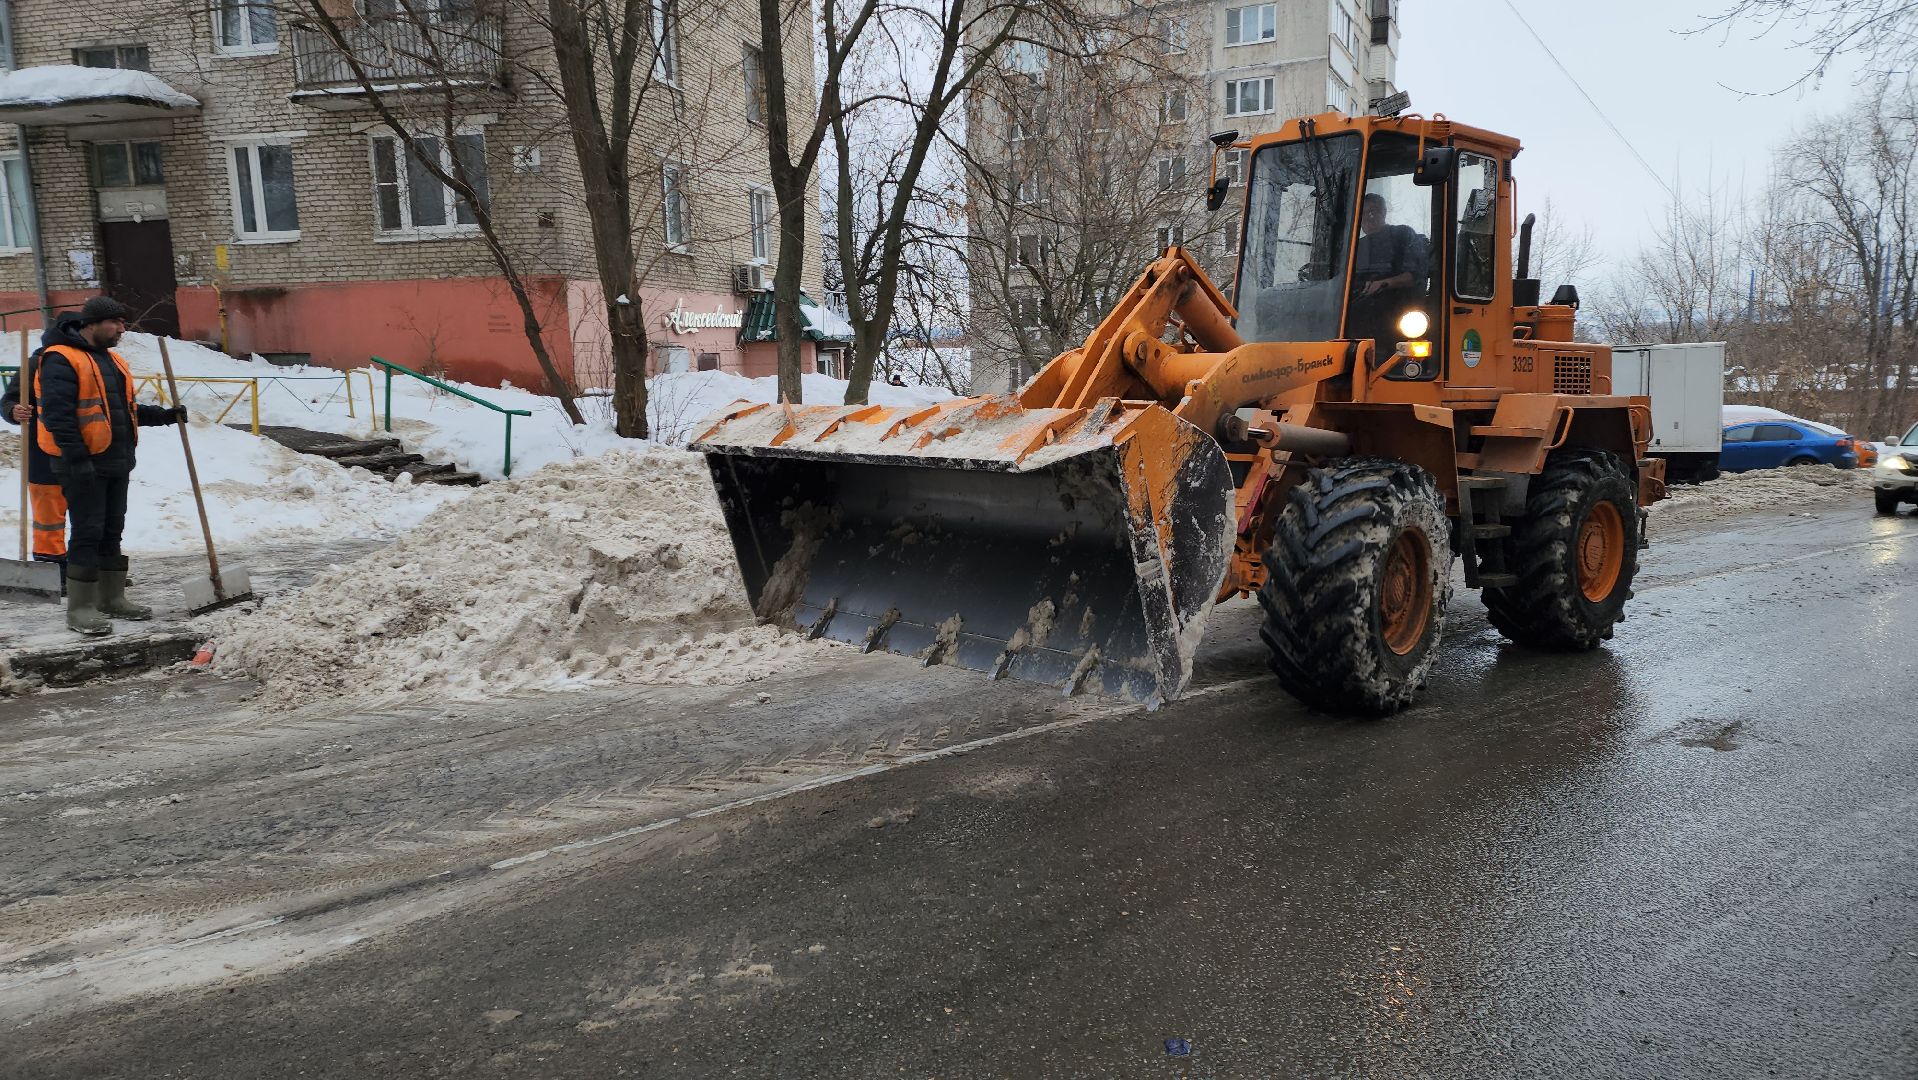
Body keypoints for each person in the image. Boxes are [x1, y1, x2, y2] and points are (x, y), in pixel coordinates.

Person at [34, 296, 185, 635]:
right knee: (87, 532)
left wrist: (163, 417)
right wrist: (77, 459)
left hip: (116, 460)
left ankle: (111, 598)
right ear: (91, 324)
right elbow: (58, 417)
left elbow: (122, 411)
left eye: (123, 323)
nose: (121, 329)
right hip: (81, 463)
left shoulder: (112, 360)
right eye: (115, 323)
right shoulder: (60, 359)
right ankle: (81, 607)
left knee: (111, 530)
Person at [2, 325, 69, 587]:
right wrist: (13, 411)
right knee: (48, 518)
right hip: (42, 454)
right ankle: (51, 570)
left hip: (86, 453)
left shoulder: (88, 363)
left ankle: (88, 568)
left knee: (89, 514)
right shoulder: (33, 366)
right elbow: (8, 400)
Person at [1348, 192, 1430, 353]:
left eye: (1375, 211)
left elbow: (1415, 276)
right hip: (1359, 321)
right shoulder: (1354, 248)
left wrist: (1383, 284)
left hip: (1398, 317)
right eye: (1364, 212)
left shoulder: (1402, 235)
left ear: (1384, 212)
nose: (1370, 216)